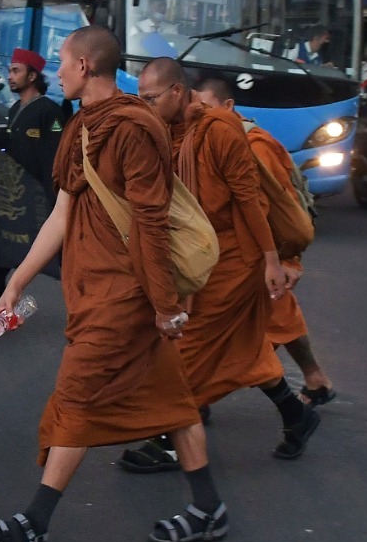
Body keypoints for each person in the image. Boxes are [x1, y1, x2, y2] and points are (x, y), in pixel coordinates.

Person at [0, 25, 225, 542]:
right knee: (174, 400)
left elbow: (151, 222)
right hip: (95, 289)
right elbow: (62, 214)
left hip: (125, 294)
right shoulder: (84, 125)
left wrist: (164, 305)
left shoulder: (133, 128)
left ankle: (33, 525)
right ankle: (208, 507)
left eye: (62, 61)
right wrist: (17, 281)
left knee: (77, 396)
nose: (56, 71)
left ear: (85, 67)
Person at [125, 57, 316, 470]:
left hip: (236, 262)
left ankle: (170, 442)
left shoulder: (219, 130)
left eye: (151, 98)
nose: (146, 107)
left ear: (178, 91)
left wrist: (273, 261)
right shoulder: (172, 131)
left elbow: (252, 201)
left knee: (185, 348)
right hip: (201, 257)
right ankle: (297, 415)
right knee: (245, 352)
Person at [195, 75, 337, 405]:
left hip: (263, 255)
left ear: (228, 106)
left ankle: (197, 402)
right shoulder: (212, 139)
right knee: (281, 316)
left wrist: (287, 261)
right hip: (237, 253)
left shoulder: (256, 146)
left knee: (244, 339)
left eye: (205, 108)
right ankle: (315, 380)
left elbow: (284, 209)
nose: (198, 116)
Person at [0, 49, 63, 317]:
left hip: (37, 198)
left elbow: (54, 159)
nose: (10, 76)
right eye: (10, 71)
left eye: (16, 71)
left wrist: (53, 200)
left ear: (33, 76)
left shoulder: (49, 112)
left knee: (57, 255)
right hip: (13, 194)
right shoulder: (14, 109)